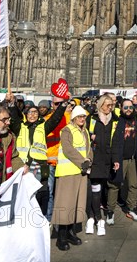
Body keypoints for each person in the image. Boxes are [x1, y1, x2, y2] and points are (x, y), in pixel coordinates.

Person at [8, 92, 68, 216]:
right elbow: (13, 117)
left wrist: (64, 104)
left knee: (42, 193)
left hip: (39, 165)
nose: (33, 114)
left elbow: (55, 118)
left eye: (35, 112)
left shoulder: (44, 127)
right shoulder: (20, 127)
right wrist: (11, 104)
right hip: (23, 166)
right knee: (23, 193)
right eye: (30, 112)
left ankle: (43, 218)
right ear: (26, 114)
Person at [52, 105, 93, 251]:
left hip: (80, 172)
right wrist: (84, 162)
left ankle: (70, 232)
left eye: (84, 117)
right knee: (65, 204)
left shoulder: (85, 131)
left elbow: (88, 149)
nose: (82, 119)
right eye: (80, 116)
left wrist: (89, 161)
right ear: (74, 118)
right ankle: (61, 236)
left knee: (76, 204)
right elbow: (68, 149)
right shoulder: (67, 130)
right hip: (67, 172)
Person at [107, 99, 137, 225]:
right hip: (120, 159)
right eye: (125, 107)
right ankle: (110, 211)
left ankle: (131, 209)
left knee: (133, 185)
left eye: (130, 107)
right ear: (121, 108)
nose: (128, 109)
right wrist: (115, 159)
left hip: (134, 158)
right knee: (114, 185)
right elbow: (114, 142)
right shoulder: (117, 121)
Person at [85, 94, 118, 236]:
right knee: (95, 189)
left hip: (107, 159)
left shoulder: (114, 120)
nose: (110, 107)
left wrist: (115, 159)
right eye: (107, 105)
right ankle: (97, 219)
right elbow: (84, 136)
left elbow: (116, 142)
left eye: (111, 105)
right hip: (95, 159)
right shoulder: (92, 119)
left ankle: (93, 218)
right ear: (100, 105)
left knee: (101, 189)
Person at [0, 104, 26, 197]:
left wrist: (22, 167)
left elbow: (13, 157)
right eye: (5, 120)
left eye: (9, 119)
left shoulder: (8, 137)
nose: (8, 123)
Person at [44, 96, 71, 223]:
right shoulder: (45, 119)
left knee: (63, 194)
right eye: (56, 104)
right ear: (52, 104)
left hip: (64, 162)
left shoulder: (70, 118)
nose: (58, 106)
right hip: (50, 161)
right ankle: (49, 219)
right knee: (49, 193)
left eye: (61, 104)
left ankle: (62, 220)